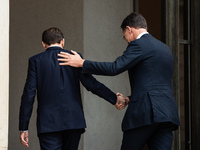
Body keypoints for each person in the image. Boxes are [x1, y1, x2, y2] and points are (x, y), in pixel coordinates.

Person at [57, 12, 180, 150]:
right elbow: (155, 84)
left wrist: (82, 63)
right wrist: (129, 98)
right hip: (167, 115)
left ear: (129, 29)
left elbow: (114, 68)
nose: (126, 40)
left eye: (125, 36)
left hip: (145, 113)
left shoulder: (138, 44)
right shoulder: (165, 49)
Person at [19, 27, 126, 150]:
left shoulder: (36, 61)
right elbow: (92, 84)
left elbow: (29, 95)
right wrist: (114, 99)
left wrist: (24, 127)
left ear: (43, 44)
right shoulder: (75, 58)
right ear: (63, 42)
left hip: (48, 123)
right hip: (74, 121)